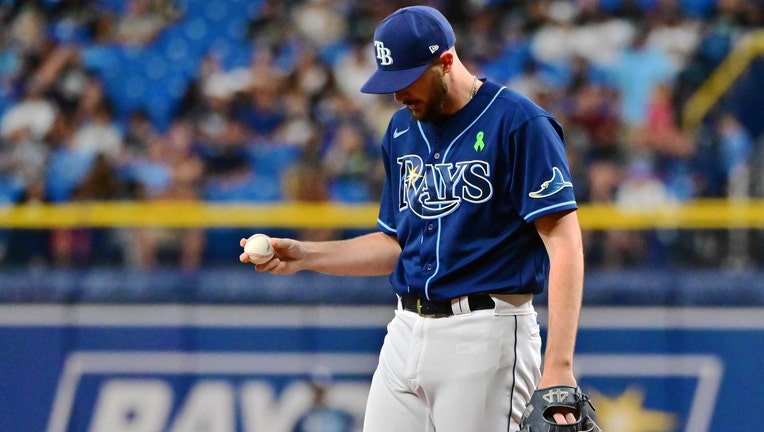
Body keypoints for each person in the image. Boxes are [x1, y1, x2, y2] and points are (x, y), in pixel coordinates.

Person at [240, 6, 586, 432]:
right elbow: (396, 245)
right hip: (405, 330)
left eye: (405, 81)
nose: (397, 95)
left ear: (445, 62)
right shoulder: (401, 131)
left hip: (485, 334)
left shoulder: (520, 123)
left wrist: (559, 365)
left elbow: (564, 242)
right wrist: (306, 254)